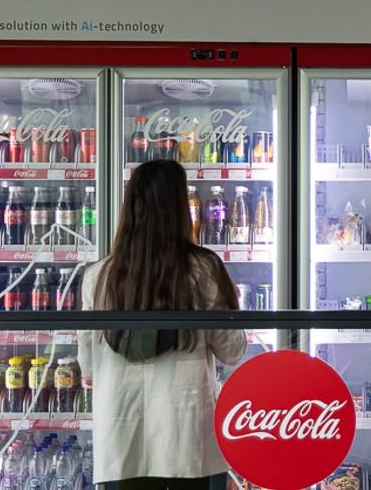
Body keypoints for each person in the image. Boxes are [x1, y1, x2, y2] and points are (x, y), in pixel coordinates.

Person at [79, 159, 246, 490]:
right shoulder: (204, 268)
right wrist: (231, 302)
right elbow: (233, 351)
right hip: (186, 435)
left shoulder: (98, 275)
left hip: (122, 435)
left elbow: (88, 365)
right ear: (180, 208)